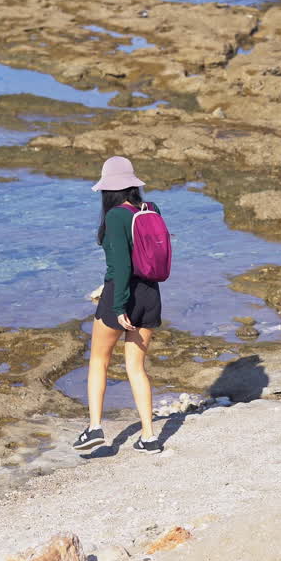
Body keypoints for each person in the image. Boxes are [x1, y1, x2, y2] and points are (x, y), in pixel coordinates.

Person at [72, 156, 164, 454]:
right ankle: (149, 437)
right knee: (136, 367)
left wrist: (120, 304)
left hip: (120, 297)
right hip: (151, 294)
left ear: (108, 190)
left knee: (99, 360)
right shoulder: (151, 209)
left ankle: (95, 428)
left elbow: (121, 266)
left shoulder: (115, 217)